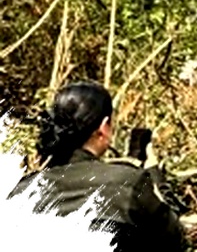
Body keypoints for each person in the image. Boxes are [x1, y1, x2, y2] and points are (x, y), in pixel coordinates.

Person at [8, 81, 187, 251]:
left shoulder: (20, 189)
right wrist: (154, 173)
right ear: (103, 128)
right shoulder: (128, 183)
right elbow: (174, 239)